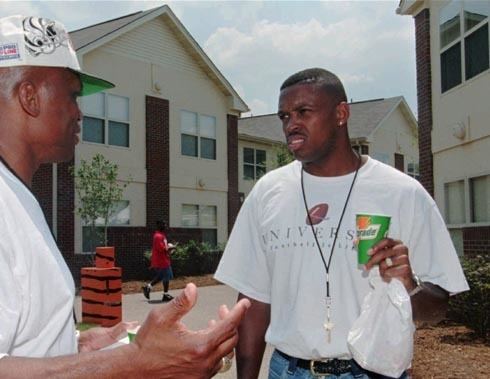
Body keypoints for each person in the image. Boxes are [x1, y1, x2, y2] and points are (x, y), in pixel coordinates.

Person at [0, 14, 250, 377]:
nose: (80, 112)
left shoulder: (19, 197)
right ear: (29, 96)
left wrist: (78, 346)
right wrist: (137, 363)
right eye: (72, 94)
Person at [215, 67, 469, 379]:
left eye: (303, 112)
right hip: (289, 371)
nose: (291, 124)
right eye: (284, 116)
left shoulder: (402, 193)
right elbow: (253, 301)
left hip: (375, 372)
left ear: (341, 114)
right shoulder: (268, 192)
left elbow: (437, 310)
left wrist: (409, 285)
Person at [142, 220, 175, 302]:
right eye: (163, 224)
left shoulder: (162, 235)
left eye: (165, 224)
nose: (165, 225)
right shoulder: (158, 236)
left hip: (164, 259)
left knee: (164, 277)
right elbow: (161, 249)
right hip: (161, 261)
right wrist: (171, 247)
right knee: (164, 276)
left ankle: (164, 294)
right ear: (158, 225)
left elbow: (163, 248)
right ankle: (148, 287)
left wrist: (169, 248)